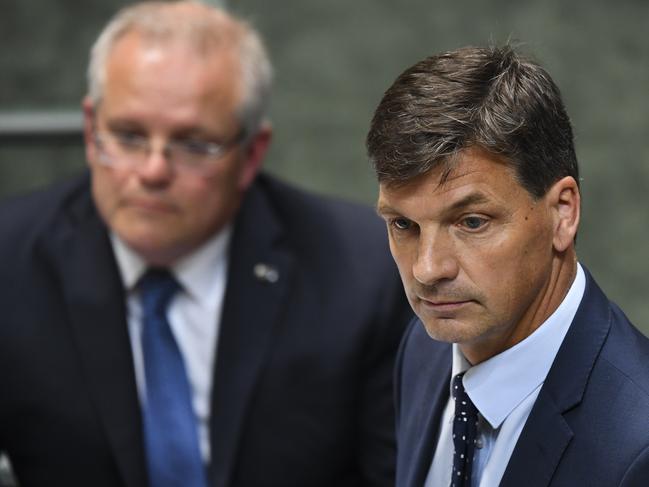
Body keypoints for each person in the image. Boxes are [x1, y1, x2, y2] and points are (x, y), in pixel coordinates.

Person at [0, 2, 412, 486]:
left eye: (194, 144)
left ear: (251, 153)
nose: (152, 171)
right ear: (91, 131)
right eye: (128, 135)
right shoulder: (11, 262)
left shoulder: (359, 274)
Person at [366, 44, 649, 487]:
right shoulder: (424, 351)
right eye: (403, 224)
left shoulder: (638, 446)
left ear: (563, 213)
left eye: (472, 221)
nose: (426, 270)